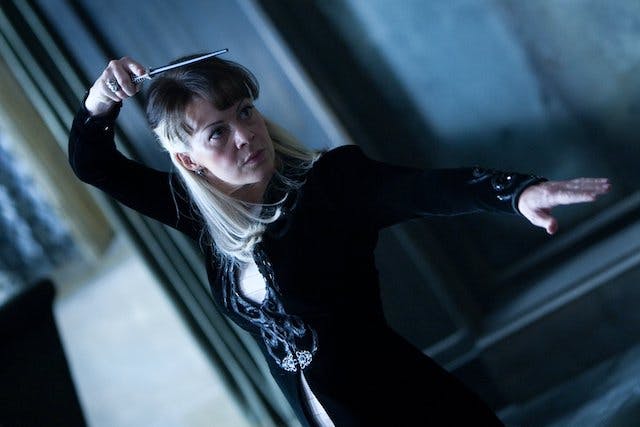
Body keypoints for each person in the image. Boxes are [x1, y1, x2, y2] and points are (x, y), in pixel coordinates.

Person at [68, 53, 611, 427]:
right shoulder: (201, 217)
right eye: (218, 132)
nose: (246, 134)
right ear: (189, 161)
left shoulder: (330, 183)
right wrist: (101, 99)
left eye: (245, 111)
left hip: (410, 412)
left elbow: (425, 189)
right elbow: (93, 164)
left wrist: (516, 193)